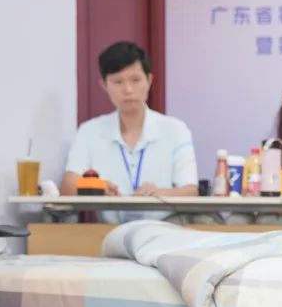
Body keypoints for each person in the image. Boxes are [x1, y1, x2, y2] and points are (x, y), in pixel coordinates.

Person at [62, 42, 198, 219]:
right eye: (118, 82)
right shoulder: (89, 131)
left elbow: (190, 191)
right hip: (109, 232)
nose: (128, 90)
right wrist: (98, 188)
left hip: (164, 229)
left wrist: (159, 193)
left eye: (135, 80)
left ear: (149, 80)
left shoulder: (175, 130)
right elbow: (68, 186)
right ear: (104, 85)